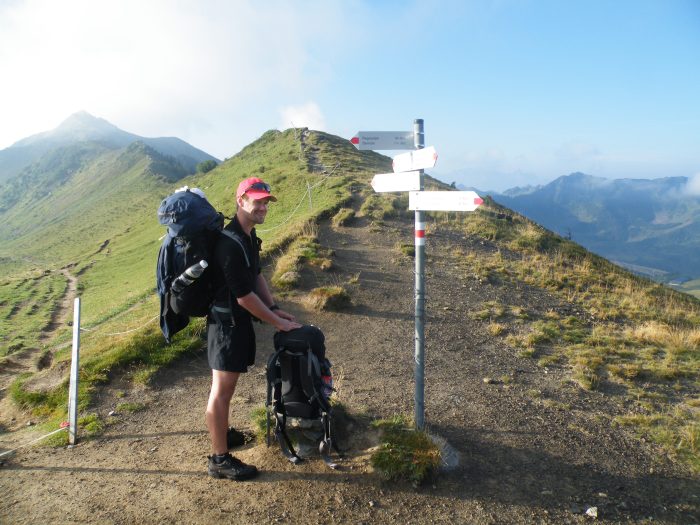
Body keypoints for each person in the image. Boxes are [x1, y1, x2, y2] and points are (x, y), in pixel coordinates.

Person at [206, 177, 302, 480]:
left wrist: (273, 307)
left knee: (225, 390)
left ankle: (223, 433)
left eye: (266, 202)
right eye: (257, 201)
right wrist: (278, 323)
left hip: (236, 323)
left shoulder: (248, 236)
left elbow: (256, 276)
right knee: (222, 392)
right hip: (226, 326)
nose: (263, 206)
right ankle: (219, 460)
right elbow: (243, 296)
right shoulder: (229, 243)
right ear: (240, 201)